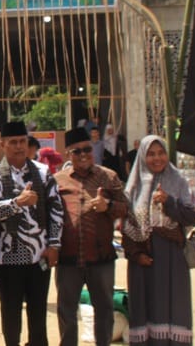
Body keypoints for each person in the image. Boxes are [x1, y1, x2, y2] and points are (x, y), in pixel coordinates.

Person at [0, 121, 64, 346]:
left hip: (39, 255)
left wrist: (54, 245)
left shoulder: (42, 172)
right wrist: (17, 203)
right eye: (13, 142)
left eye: (22, 141)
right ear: (2, 144)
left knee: (38, 314)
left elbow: (56, 209)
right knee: (10, 315)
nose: (19, 146)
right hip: (8, 257)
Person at [52, 127, 127, 346]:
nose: (83, 154)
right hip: (68, 259)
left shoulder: (108, 176)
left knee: (104, 311)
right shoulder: (57, 180)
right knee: (66, 312)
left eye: (87, 149)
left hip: (101, 257)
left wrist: (109, 206)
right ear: (68, 154)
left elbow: (126, 209)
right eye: (77, 151)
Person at [121, 135, 195, 345]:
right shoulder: (133, 186)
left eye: (161, 153)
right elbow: (126, 227)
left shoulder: (178, 180)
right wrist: (137, 255)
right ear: (142, 157)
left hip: (173, 258)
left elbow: (192, 216)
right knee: (145, 309)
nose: (157, 158)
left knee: (173, 308)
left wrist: (169, 201)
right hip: (143, 261)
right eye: (151, 154)